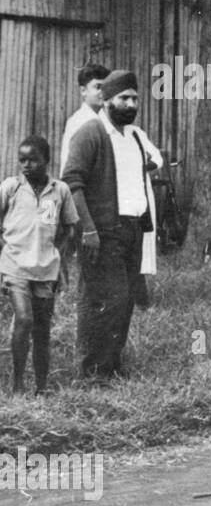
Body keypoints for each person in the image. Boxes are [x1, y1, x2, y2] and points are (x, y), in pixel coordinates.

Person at [62, 71, 157, 380]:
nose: (130, 104)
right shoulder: (91, 133)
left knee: (126, 298)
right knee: (104, 299)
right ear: (106, 100)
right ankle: (91, 372)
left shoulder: (134, 137)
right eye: (123, 98)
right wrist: (87, 230)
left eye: (134, 98)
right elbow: (72, 183)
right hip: (101, 233)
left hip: (131, 230)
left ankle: (113, 367)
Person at [1, 136, 78, 394]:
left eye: (33, 160)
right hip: (15, 267)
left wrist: (56, 253)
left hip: (46, 269)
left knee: (42, 328)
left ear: (46, 160)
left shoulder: (60, 190)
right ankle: (18, 384)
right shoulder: (10, 188)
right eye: (22, 160)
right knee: (23, 319)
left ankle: (42, 386)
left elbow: (68, 227)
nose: (26, 165)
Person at [59, 63, 110, 174]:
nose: (103, 92)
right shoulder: (79, 121)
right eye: (98, 87)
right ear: (83, 90)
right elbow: (69, 167)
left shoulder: (104, 120)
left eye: (106, 87)